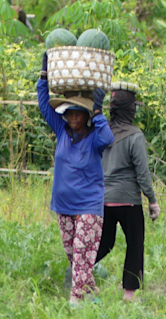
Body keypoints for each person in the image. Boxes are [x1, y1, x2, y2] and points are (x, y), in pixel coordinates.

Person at [37, 52, 114, 306]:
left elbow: (108, 139)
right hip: (63, 205)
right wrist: (43, 75)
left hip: (89, 207)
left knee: (83, 254)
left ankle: (75, 302)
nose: (72, 118)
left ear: (87, 115)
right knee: (74, 257)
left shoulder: (95, 136)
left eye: (77, 114)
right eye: (69, 113)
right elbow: (44, 105)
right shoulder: (62, 131)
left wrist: (100, 110)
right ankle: (93, 298)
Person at [95, 82, 160, 302]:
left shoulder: (101, 133)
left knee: (104, 243)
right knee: (135, 243)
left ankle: (79, 270)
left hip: (103, 200)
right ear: (129, 110)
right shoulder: (135, 136)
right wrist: (152, 200)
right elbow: (142, 173)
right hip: (129, 201)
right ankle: (129, 294)